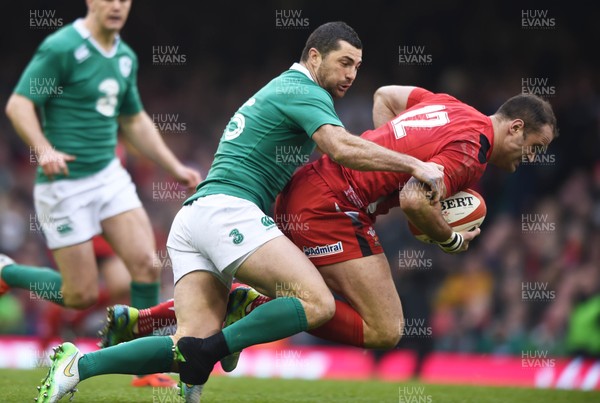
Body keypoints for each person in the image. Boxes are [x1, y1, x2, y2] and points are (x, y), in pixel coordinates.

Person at [33, 21, 447, 403]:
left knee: (185, 347)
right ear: (314, 57)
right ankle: (244, 306)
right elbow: (339, 148)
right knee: (316, 303)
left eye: (356, 66)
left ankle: (76, 365)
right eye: (343, 62)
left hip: (195, 219)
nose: (351, 74)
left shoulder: (284, 90)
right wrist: (414, 164)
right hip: (229, 214)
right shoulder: (304, 90)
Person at [98, 85, 559, 372]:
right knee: (385, 328)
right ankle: (248, 310)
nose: (529, 161)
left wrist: (390, 149)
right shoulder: (471, 152)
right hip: (336, 205)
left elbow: (386, 96)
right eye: (534, 147)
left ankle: (150, 319)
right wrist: (448, 237)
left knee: (305, 290)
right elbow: (415, 199)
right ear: (516, 127)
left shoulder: (451, 106)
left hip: (311, 188)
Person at [1, 0, 200, 390]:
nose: (116, 6)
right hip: (64, 185)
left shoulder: (124, 56)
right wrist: (42, 147)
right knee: (81, 294)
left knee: (145, 263)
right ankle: (7, 271)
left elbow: (134, 119)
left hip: (109, 177)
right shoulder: (62, 47)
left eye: (124, 0)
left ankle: (145, 366)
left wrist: (172, 165)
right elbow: (19, 104)